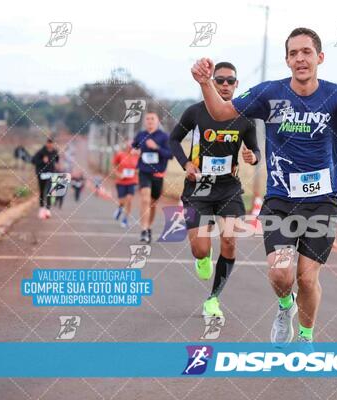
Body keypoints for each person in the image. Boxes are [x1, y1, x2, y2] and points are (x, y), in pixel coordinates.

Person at [191, 27, 337, 344]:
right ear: (287, 60)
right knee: (281, 273)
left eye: (306, 52)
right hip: (280, 200)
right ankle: (284, 307)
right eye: (293, 53)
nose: (300, 58)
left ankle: (305, 336)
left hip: (323, 202)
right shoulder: (269, 94)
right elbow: (221, 111)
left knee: (306, 277)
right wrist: (206, 83)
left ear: (319, 57)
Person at [170, 61, 261, 317]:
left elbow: (256, 150)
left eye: (229, 81)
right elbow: (173, 139)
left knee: (230, 241)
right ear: (211, 82)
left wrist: (253, 157)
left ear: (236, 84)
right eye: (219, 80)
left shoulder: (244, 118)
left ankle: (213, 299)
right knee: (200, 248)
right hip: (199, 186)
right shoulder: (195, 112)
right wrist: (185, 162)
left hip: (228, 187)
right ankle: (202, 257)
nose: (224, 85)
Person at [132, 112, 173, 243]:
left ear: (157, 121)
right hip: (144, 172)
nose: (150, 121)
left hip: (158, 174)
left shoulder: (164, 137)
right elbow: (134, 147)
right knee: (145, 199)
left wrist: (156, 147)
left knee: (152, 203)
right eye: (147, 119)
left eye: (152, 119)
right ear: (145, 122)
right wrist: (134, 150)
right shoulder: (141, 135)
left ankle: (149, 227)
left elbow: (170, 155)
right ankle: (143, 229)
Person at [112, 139, 140, 228]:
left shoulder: (137, 156)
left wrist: (137, 171)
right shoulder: (120, 155)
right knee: (122, 201)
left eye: (132, 146)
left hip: (132, 181)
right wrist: (118, 174)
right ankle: (120, 209)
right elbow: (113, 166)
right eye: (129, 146)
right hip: (121, 181)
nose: (130, 148)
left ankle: (125, 219)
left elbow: (140, 168)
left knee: (129, 199)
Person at [31, 138, 60, 219]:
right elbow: (33, 161)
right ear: (46, 143)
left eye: (51, 143)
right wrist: (42, 161)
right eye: (49, 143)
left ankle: (47, 210)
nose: (50, 145)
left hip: (51, 174)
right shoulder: (41, 152)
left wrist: (57, 165)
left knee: (49, 191)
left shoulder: (55, 152)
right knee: (42, 191)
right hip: (42, 174)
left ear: (53, 144)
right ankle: (41, 208)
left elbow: (57, 159)